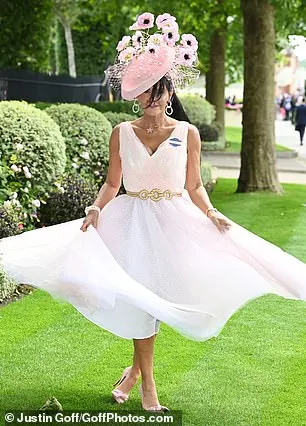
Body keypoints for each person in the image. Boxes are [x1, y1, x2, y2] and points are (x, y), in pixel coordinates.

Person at [0, 11, 306, 413]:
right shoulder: (121, 133)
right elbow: (113, 182)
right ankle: (148, 386)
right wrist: (95, 207)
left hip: (175, 222)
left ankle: (132, 373)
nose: (152, 99)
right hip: (130, 222)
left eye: (159, 91)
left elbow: (194, 185)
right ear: (137, 95)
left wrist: (212, 214)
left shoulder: (187, 133)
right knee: (142, 300)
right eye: (145, 91)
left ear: (169, 93)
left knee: (158, 299)